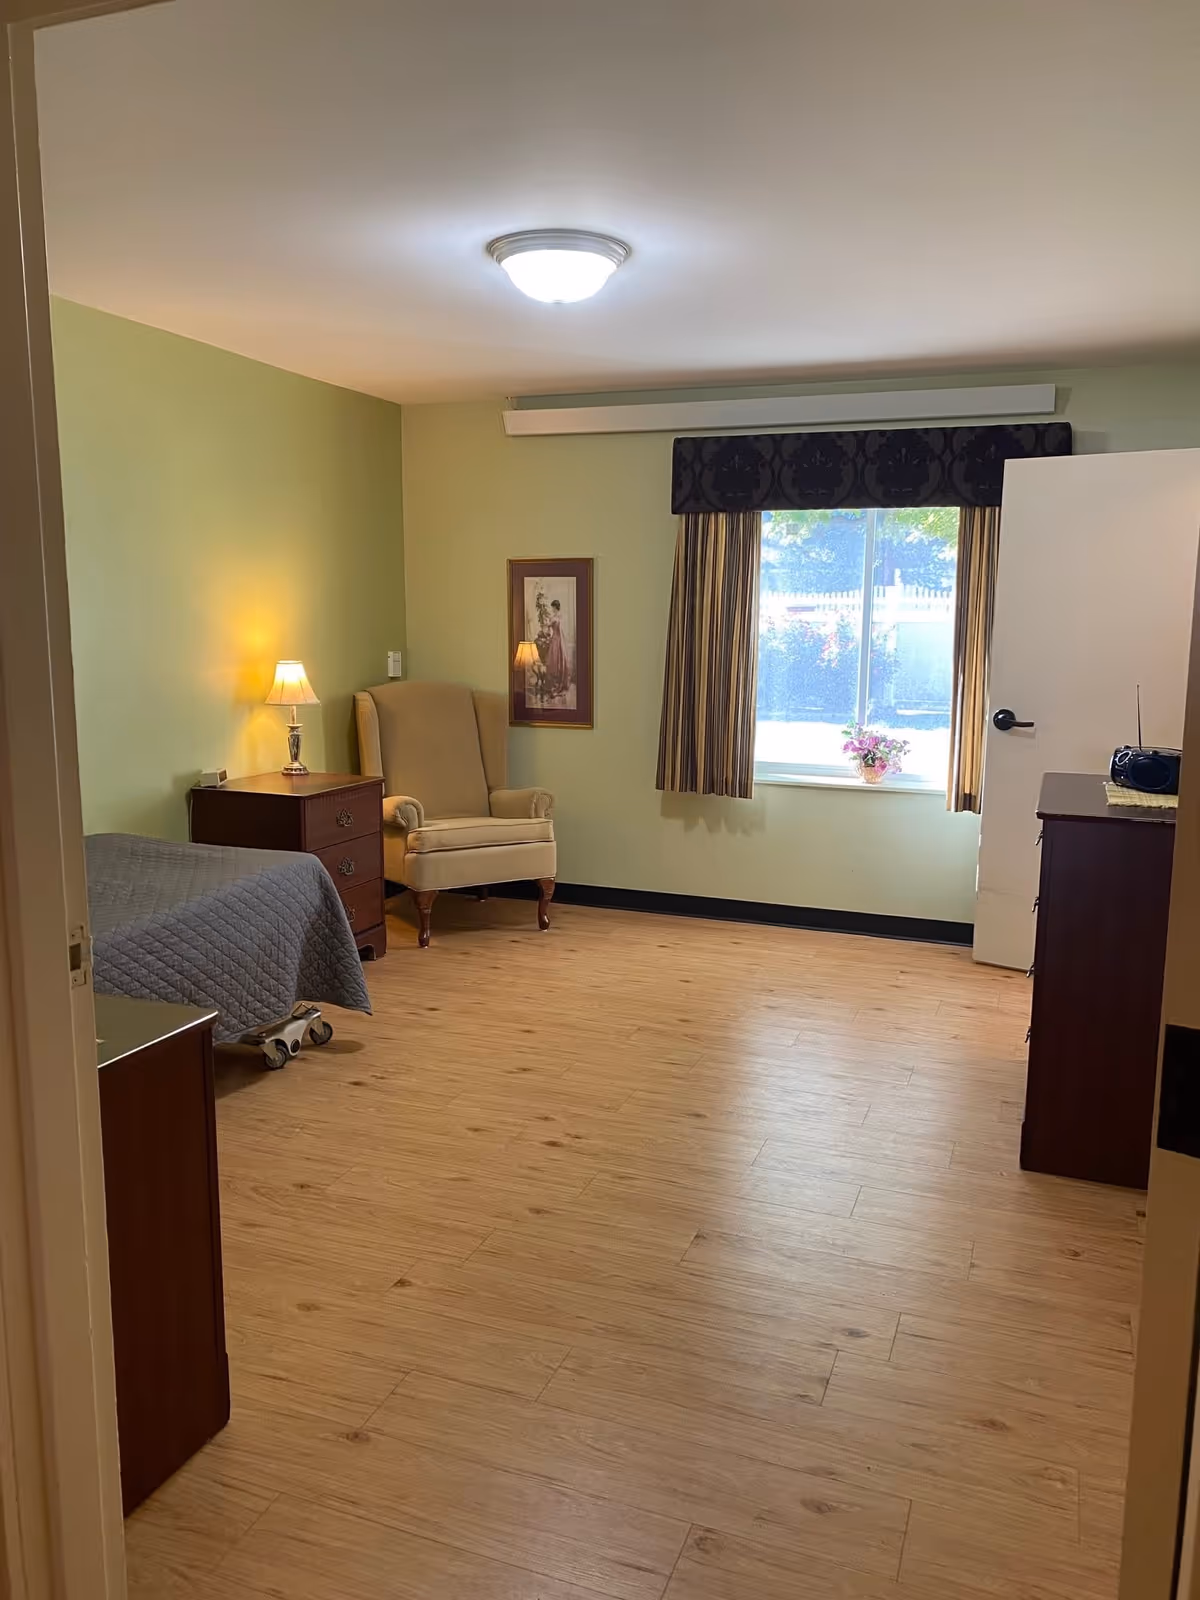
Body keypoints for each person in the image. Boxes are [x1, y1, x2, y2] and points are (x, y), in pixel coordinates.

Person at [544, 598, 570, 697]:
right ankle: (552, 684)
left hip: (559, 640)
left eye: (553, 607)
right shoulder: (553, 617)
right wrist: (547, 624)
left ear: (556, 607)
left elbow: (560, 629)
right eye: (552, 608)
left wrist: (550, 622)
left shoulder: (560, 616)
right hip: (554, 639)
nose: (552, 609)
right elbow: (549, 627)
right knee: (553, 662)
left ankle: (558, 685)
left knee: (558, 660)